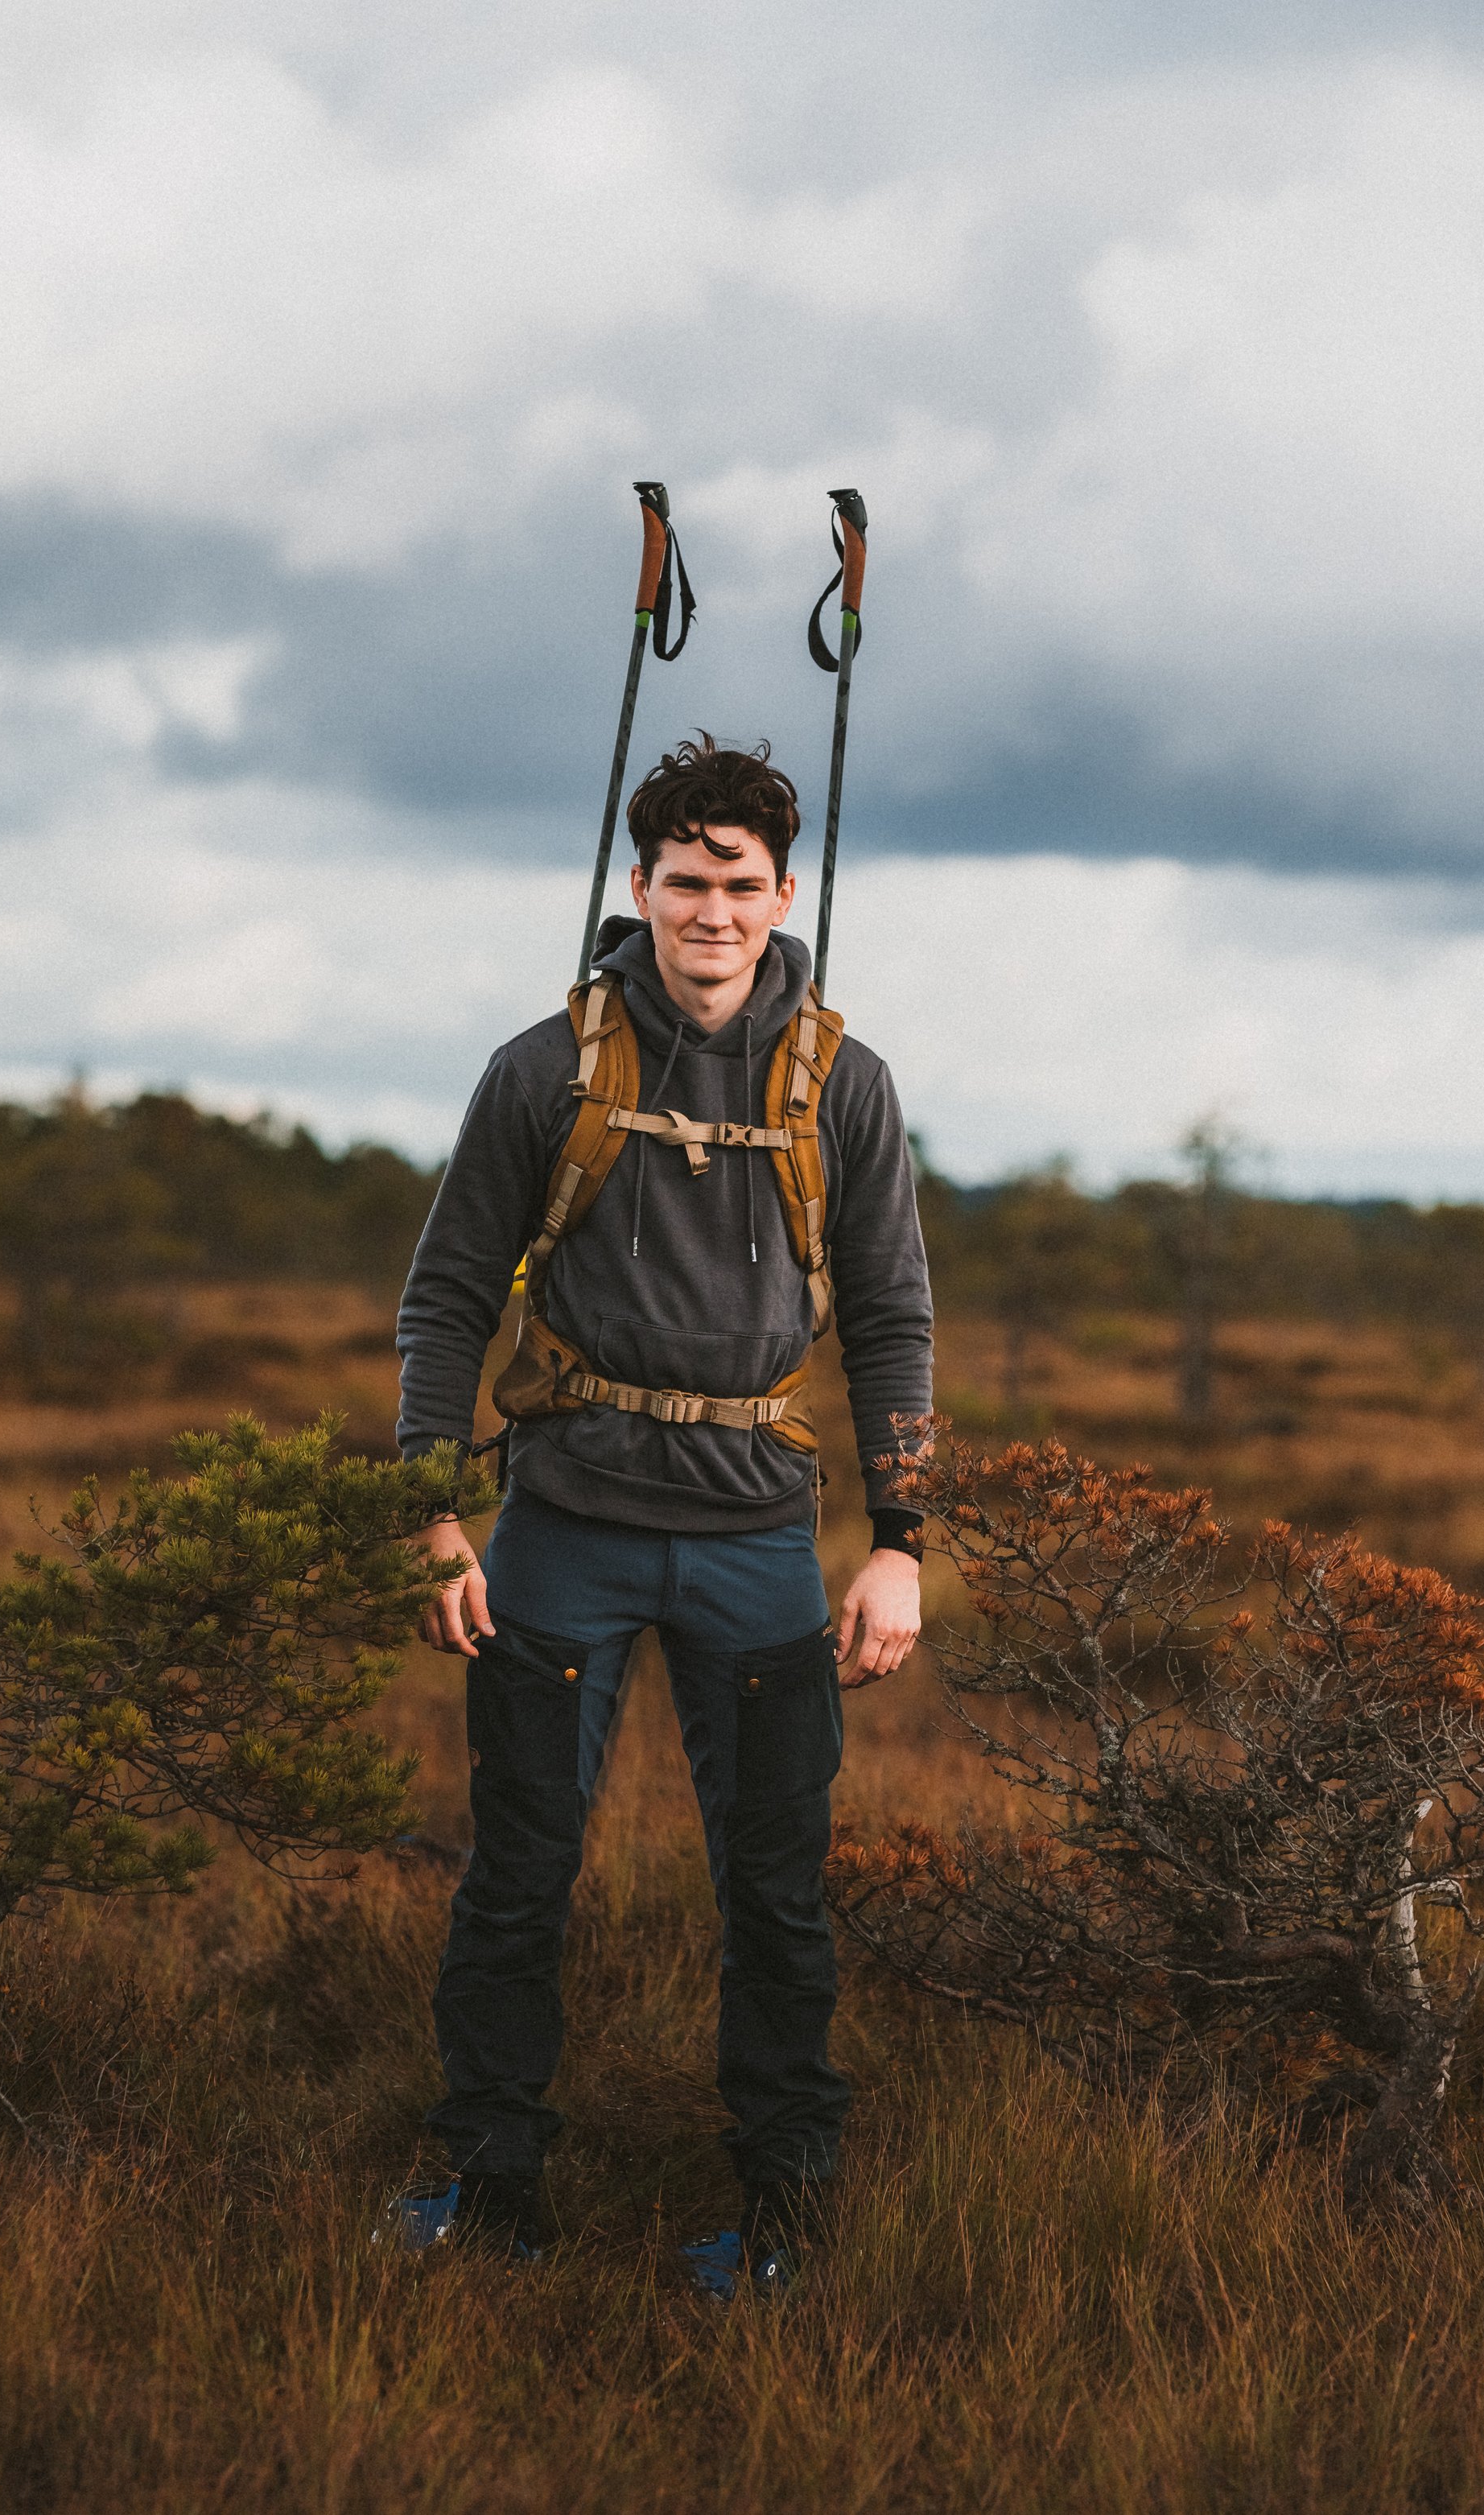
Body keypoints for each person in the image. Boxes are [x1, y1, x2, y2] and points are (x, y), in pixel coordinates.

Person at [394, 732, 934, 2279]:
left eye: (741, 885)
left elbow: (895, 1320)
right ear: (640, 886)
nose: (712, 912)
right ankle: (487, 2201)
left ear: (781, 896)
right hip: (559, 1527)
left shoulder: (848, 1083)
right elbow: (444, 1301)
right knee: (518, 1872)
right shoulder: (544, 1066)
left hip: (759, 1540)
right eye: (685, 881)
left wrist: (900, 1545)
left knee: (776, 1893)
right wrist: (438, 1511)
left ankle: (785, 2221)